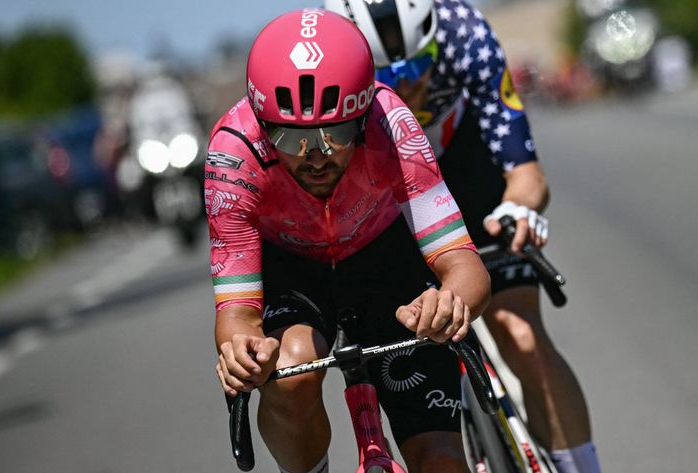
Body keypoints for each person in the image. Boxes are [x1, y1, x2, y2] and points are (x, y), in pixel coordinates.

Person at [207, 9, 490, 473]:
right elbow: (237, 315)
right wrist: (241, 350)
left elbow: (462, 263)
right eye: (290, 137)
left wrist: (450, 303)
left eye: (334, 133)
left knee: (440, 461)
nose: (314, 156)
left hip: (385, 261)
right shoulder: (233, 153)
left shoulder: (391, 123)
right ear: (261, 124)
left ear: (361, 117)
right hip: (294, 270)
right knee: (291, 370)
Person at [323, 1, 602, 472]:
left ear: (438, 44)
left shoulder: (464, 33)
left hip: (464, 164)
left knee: (521, 333)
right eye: (390, 75)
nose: (410, 82)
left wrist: (517, 208)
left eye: (421, 62)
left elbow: (527, 175)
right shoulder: (331, 66)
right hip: (385, 192)